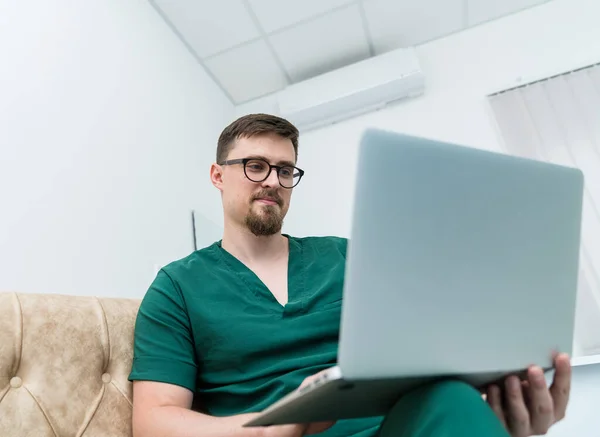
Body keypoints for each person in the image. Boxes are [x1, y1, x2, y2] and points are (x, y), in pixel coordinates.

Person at [128, 113, 571, 437]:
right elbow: (154, 419)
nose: (273, 182)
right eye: (255, 165)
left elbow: (421, 353)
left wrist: (500, 398)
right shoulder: (177, 287)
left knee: (452, 399)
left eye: (285, 171)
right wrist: (265, 430)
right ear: (217, 176)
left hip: (389, 430)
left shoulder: (344, 257)